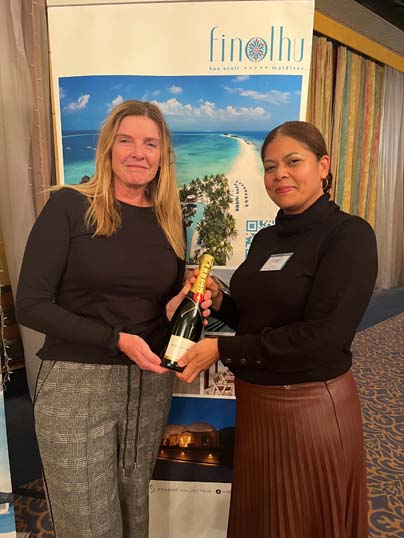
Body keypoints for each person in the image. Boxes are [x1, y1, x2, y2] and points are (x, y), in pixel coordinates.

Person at [16, 100, 210, 538]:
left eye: (150, 144)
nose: (138, 153)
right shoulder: (69, 206)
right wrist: (115, 339)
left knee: (133, 511)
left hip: (148, 386)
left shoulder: (169, 219)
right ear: (107, 148)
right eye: (126, 141)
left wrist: (177, 307)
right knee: (88, 523)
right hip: (75, 385)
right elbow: (31, 304)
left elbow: (154, 307)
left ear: (162, 156)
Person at [177, 121, 378, 538]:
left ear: (323, 166)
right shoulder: (267, 238)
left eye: (293, 162)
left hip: (309, 411)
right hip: (257, 408)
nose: (279, 174)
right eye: (270, 167)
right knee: (263, 521)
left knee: (304, 522)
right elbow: (258, 318)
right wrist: (222, 302)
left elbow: (323, 338)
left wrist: (222, 350)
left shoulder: (349, 236)